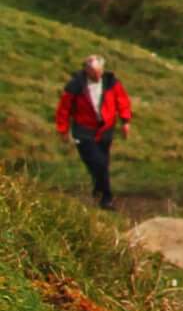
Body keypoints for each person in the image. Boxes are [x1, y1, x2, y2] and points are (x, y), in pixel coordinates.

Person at [54, 53, 133, 209]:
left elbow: (122, 100)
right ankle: (106, 199)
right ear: (87, 70)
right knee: (98, 163)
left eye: (100, 72)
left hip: (105, 129)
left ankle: (98, 193)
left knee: (102, 164)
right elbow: (64, 109)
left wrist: (125, 121)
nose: (98, 76)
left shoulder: (111, 83)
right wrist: (63, 129)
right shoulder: (75, 86)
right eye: (94, 72)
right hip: (84, 131)